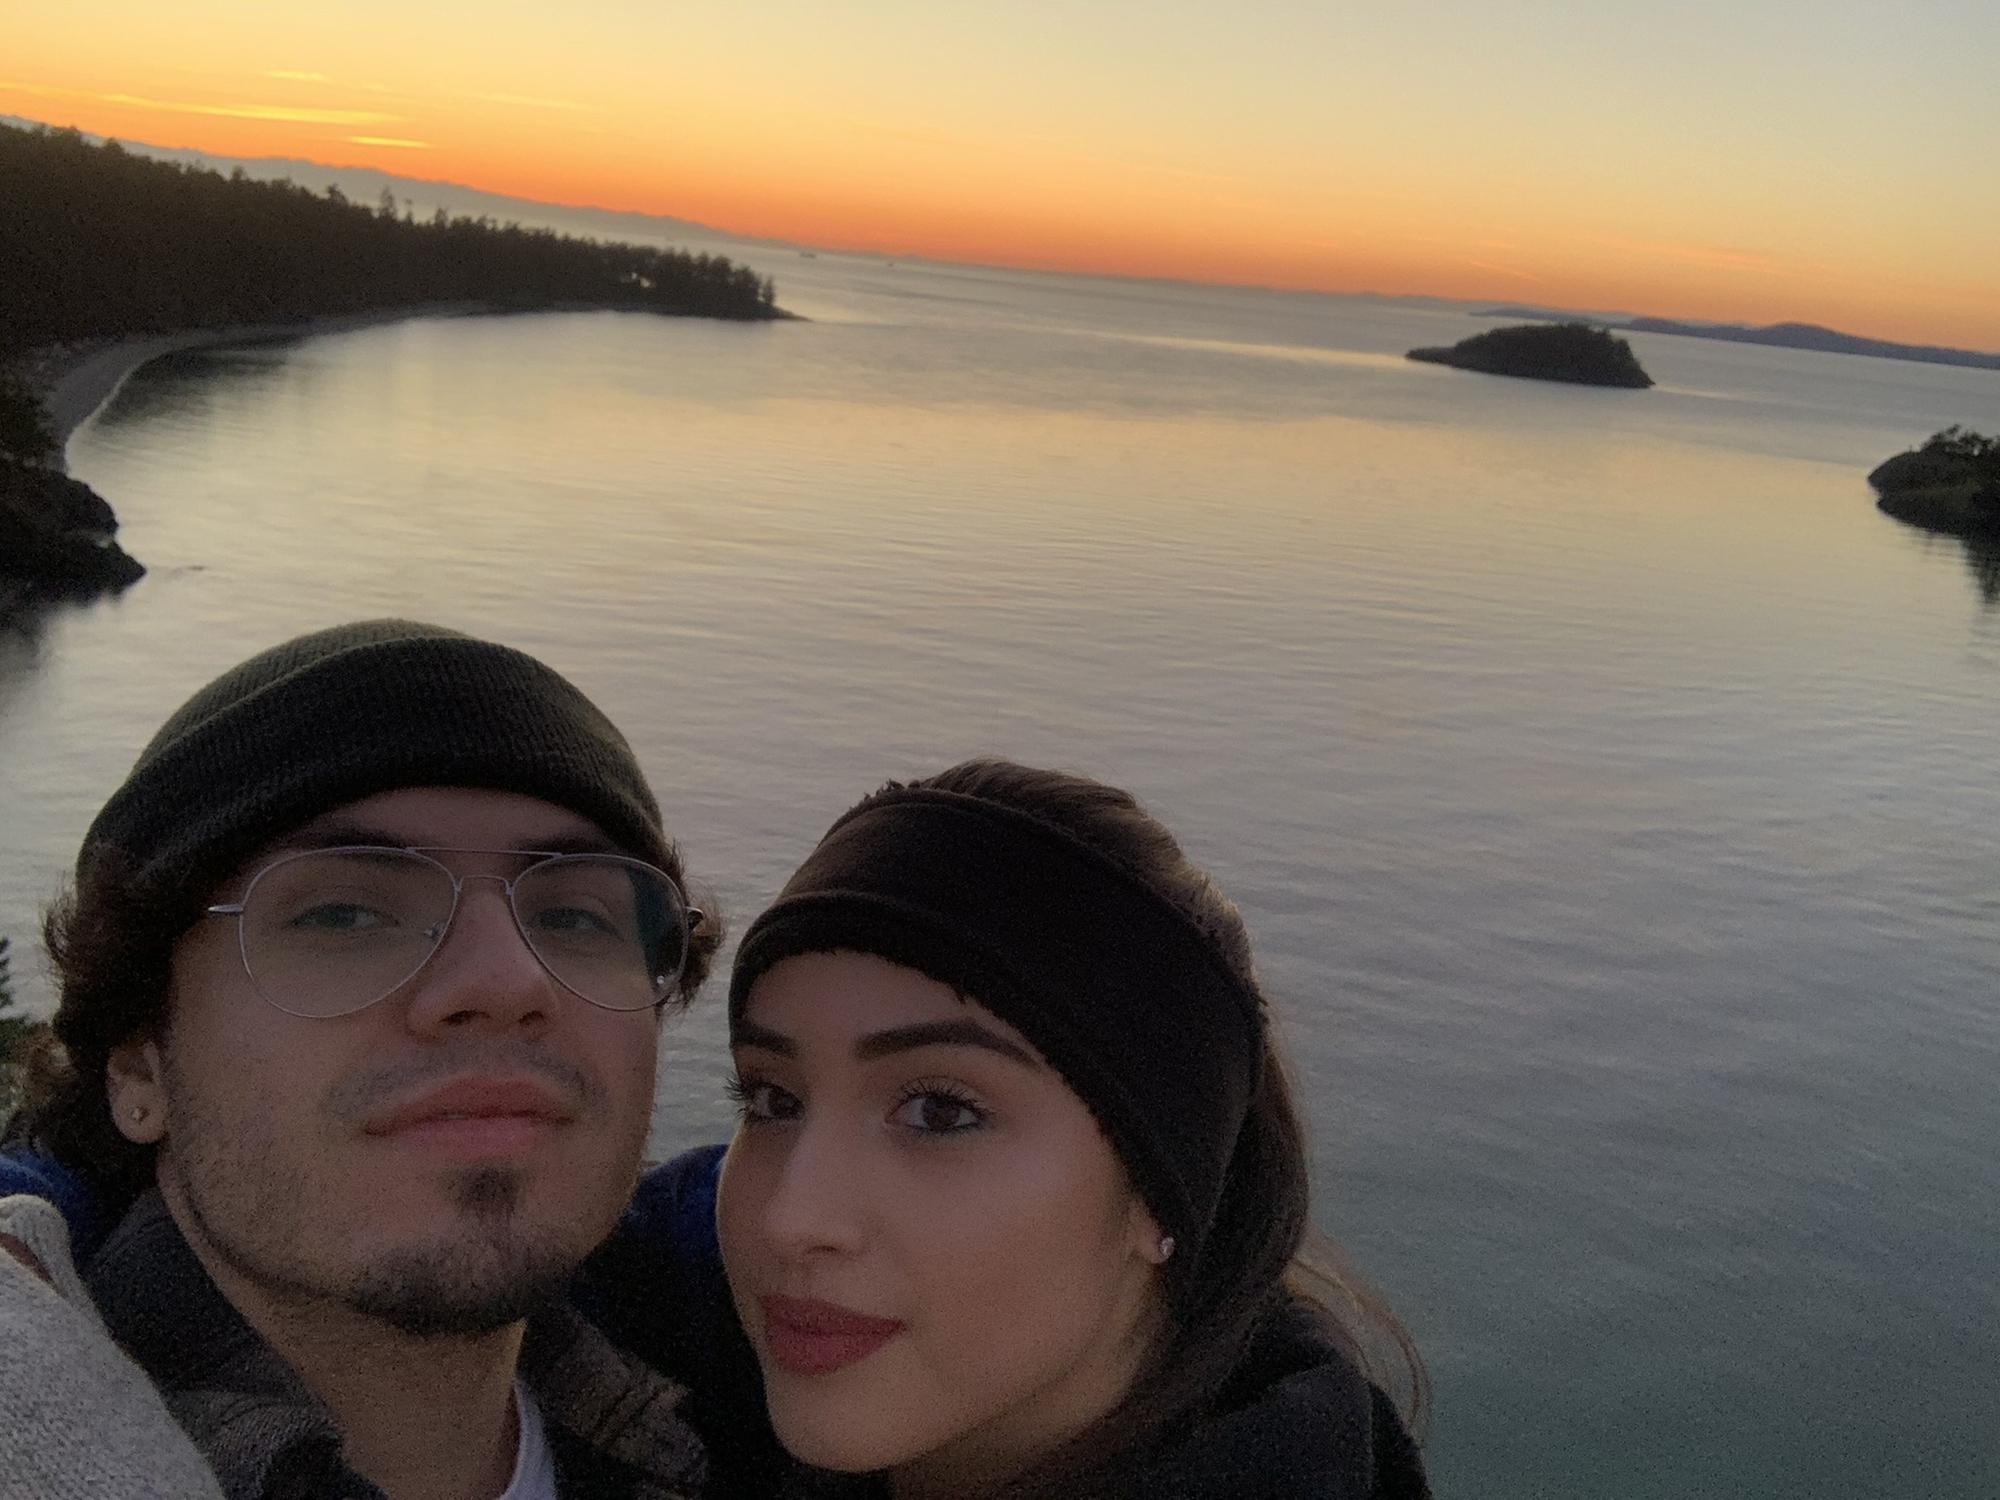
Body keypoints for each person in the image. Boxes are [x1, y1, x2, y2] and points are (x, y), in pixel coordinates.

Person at [0, 619, 714, 1499]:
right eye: (344, 913)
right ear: (140, 1063)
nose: (505, 979)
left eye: (575, 916)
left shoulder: (762, 1397)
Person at [710, 758, 1430, 1498]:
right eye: (772, 1100)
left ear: (1157, 1188)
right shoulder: (656, 1365)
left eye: (940, 1112)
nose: (788, 1218)